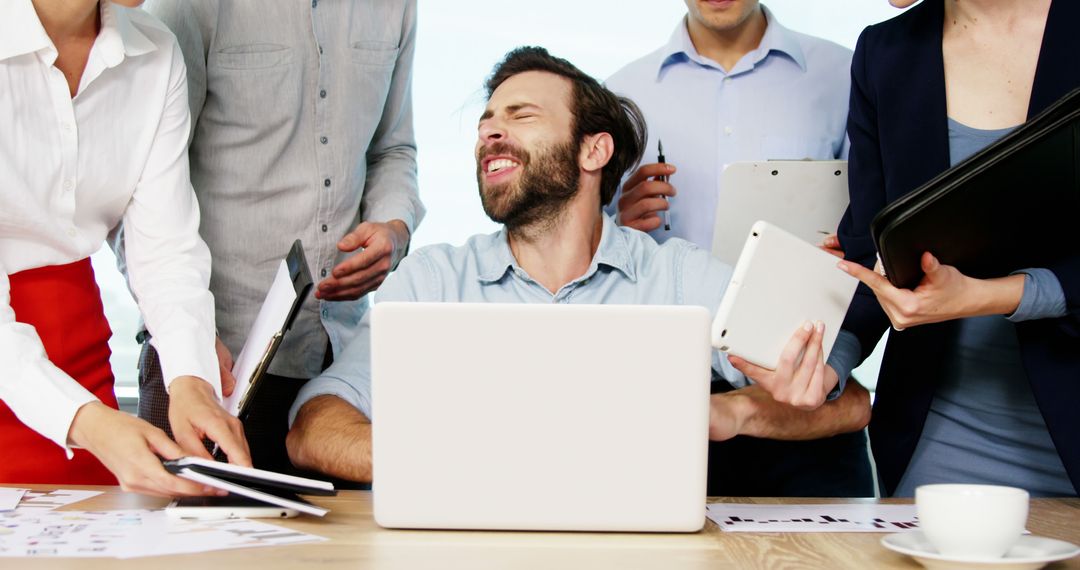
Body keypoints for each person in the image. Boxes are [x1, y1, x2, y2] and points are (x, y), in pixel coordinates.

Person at [285, 46, 865, 483]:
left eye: (521, 115)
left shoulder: (680, 278)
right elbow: (314, 426)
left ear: (594, 150)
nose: (490, 132)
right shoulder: (433, 281)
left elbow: (848, 399)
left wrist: (731, 412)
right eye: (486, 122)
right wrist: (467, 465)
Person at [138, 0, 425, 474]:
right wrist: (184, 332)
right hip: (211, 366)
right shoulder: (186, 4)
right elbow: (142, 190)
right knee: (191, 547)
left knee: (345, 548)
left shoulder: (395, 7)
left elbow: (394, 148)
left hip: (337, 368)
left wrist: (395, 228)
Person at [604, 0, 873, 497]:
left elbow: (875, 231)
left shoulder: (845, 74)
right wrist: (617, 220)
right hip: (664, 404)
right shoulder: (621, 92)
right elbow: (586, 250)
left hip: (803, 399)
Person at [0, 0, 249, 493]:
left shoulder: (154, 54)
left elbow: (165, 250)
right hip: (37, 380)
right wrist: (89, 424)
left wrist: (191, 381)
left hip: (78, 363)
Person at [835, 0, 1080, 497]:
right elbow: (871, 245)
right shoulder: (884, 52)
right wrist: (829, 361)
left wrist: (998, 295)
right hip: (939, 435)